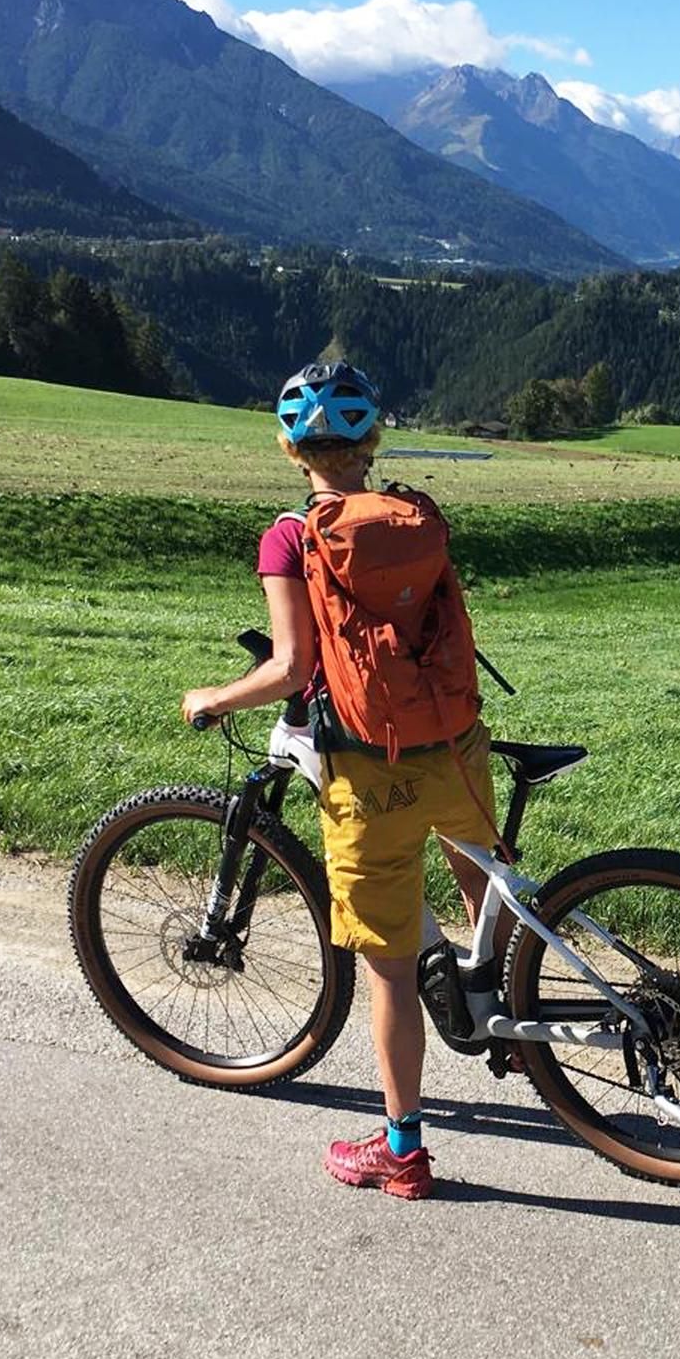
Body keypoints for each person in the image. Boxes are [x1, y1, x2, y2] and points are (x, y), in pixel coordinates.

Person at [180, 361, 498, 1201]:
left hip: (367, 762)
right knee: (480, 871)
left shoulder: (291, 535)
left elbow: (291, 669)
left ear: (290, 446)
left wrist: (214, 697)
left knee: (389, 965)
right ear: (373, 439)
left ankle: (402, 1150)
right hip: (455, 739)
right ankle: (494, 989)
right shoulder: (415, 515)